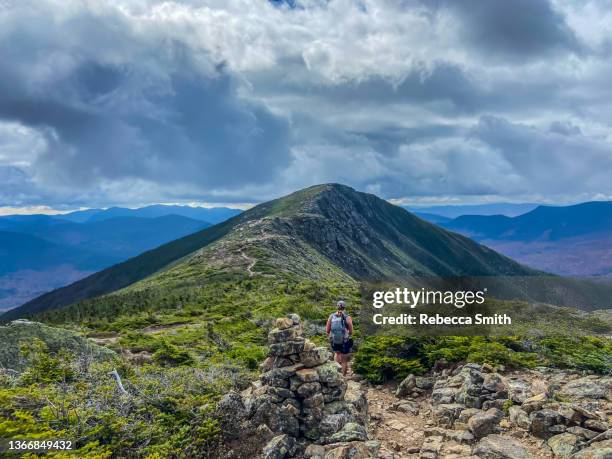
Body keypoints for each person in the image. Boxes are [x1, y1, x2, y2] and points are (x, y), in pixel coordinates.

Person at [326, 300, 353, 376]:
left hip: (334, 340)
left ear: (337, 307)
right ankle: (343, 377)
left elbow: (327, 330)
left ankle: (336, 375)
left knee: (337, 354)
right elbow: (351, 331)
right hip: (345, 340)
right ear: (344, 307)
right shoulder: (347, 317)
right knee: (344, 360)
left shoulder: (331, 316)